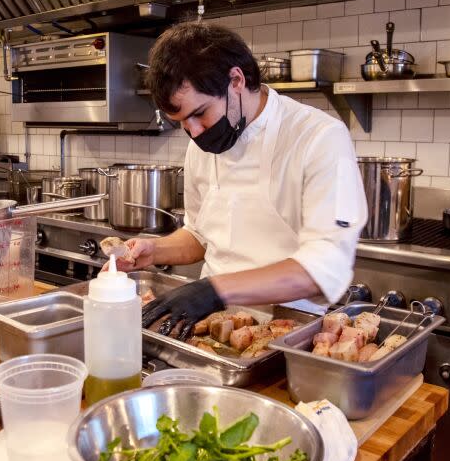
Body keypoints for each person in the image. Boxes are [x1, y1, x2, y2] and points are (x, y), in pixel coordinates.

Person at [110, 22, 368, 332]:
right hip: (212, 325)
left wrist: (214, 290)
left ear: (236, 80)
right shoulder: (203, 143)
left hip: (287, 329)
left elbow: (324, 269)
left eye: (199, 113)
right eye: (181, 122)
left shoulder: (320, 137)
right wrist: (155, 251)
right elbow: (201, 234)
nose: (194, 132)